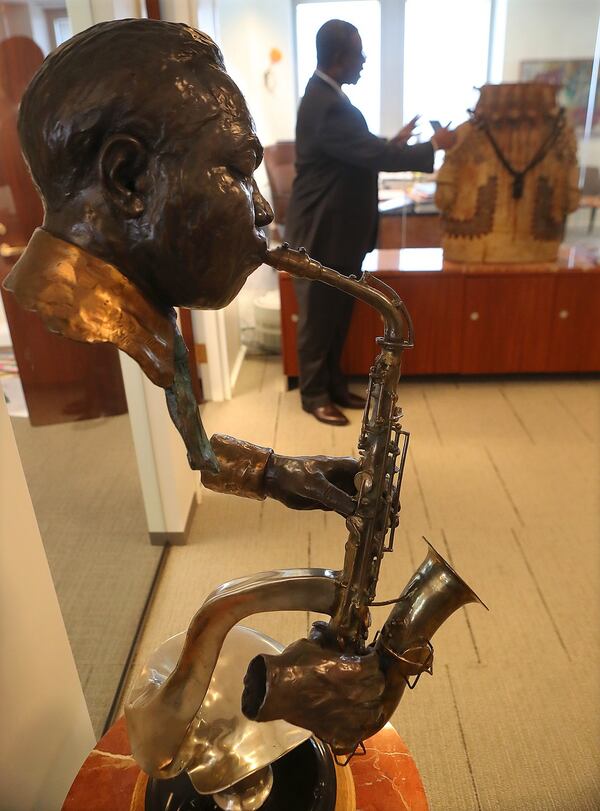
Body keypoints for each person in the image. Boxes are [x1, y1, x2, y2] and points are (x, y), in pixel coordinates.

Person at [3, 19, 357, 517]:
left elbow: (202, 455)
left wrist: (273, 473)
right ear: (127, 177)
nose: (264, 210)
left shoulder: (143, 304)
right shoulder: (97, 307)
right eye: (238, 171)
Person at [285, 19, 456, 426]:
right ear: (340, 58)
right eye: (359, 55)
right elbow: (369, 155)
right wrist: (432, 146)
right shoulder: (326, 104)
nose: (364, 63)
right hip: (322, 233)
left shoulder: (331, 98)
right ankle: (313, 395)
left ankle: (334, 384)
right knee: (319, 317)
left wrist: (390, 143)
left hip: (339, 232)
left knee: (338, 313)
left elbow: (360, 150)